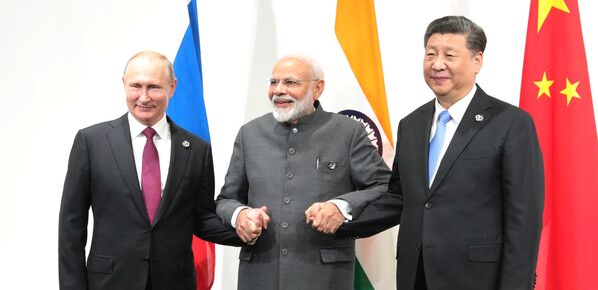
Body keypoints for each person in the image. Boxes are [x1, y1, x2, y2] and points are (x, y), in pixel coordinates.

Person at [335, 16, 544, 290]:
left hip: (479, 280)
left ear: (477, 61)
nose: (437, 64)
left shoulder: (511, 123)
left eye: (449, 55)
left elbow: (524, 217)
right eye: (430, 54)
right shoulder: (411, 125)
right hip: (415, 276)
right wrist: (340, 215)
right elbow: (400, 199)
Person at [58, 51, 241, 290]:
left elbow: (201, 218)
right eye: (136, 86)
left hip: (175, 282)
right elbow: (71, 226)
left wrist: (248, 230)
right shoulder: (91, 142)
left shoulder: (196, 149)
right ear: (124, 84)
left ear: (172, 87)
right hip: (109, 282)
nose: (143, 97)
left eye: (154, 87)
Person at [215, 55, 391, 290]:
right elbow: (226, 199)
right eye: (273, 82)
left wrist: (341, 206)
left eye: (291, 83)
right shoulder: (250, 134)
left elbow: (385, 187)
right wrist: (239, 215)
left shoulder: (349, 132)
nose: (278, 91)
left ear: (318, 88)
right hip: (259, 275)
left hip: (324, 277)